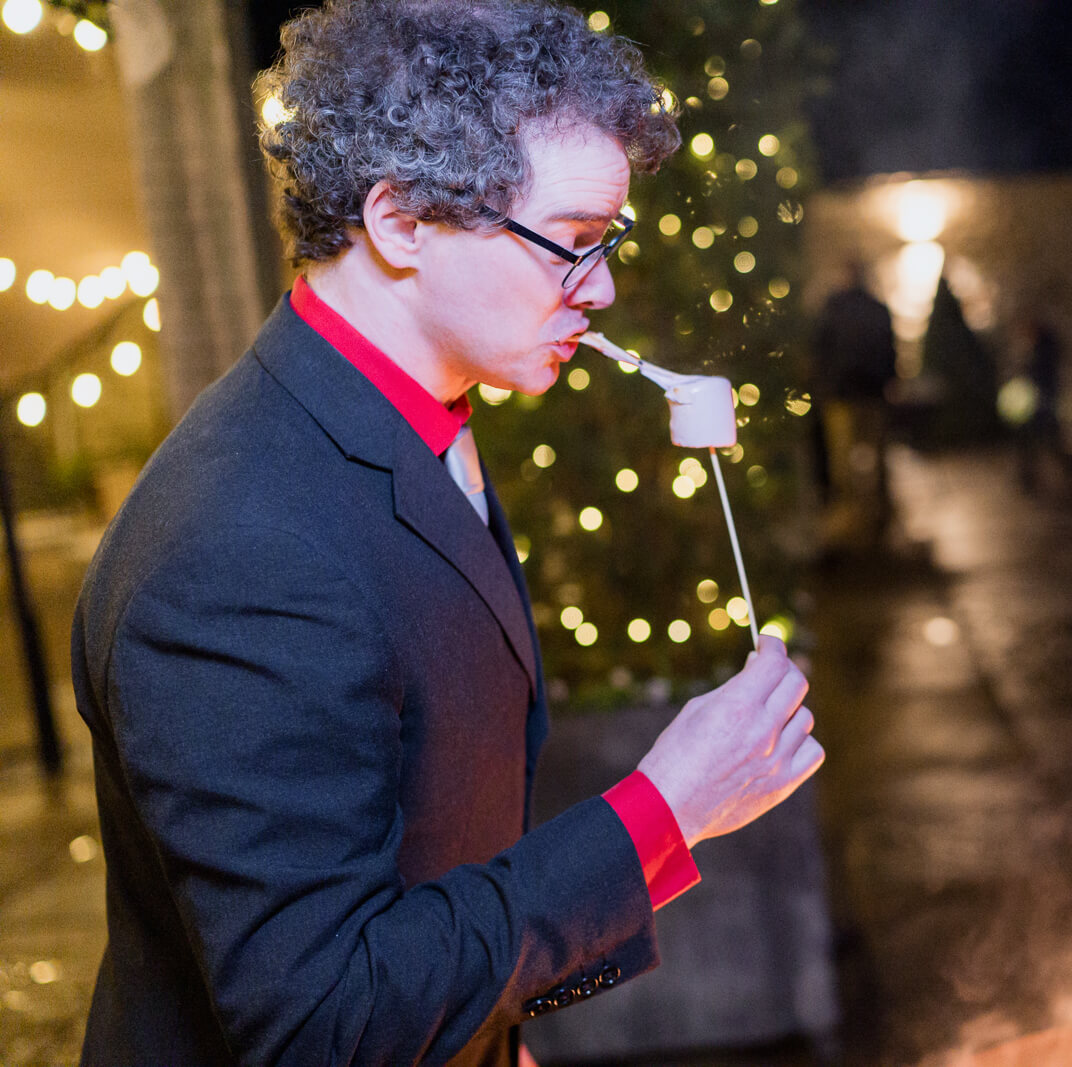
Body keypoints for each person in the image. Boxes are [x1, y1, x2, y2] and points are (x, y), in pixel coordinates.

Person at [69, 4, 823, 1065]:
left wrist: (492, 1029)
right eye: (569, 241)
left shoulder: (418, 413)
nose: (600, 287)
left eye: (605, 242)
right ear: (402, 223)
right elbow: (319, 1020)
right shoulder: (236, 553)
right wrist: (664, 809)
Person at [811, 260, 897, 542]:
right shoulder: (876, 309)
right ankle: (875, 512)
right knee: (875, 458)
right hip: (869, 393)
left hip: (843, 395)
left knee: (843, 462)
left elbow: (820, 351)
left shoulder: (832, 310)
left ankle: (852, 518)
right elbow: (889, 350)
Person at [1015, 318, 1072, 504]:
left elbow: (1040, 377)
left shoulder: (1043, 351)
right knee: (1038, 445)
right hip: (1041, 405)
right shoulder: (1043, 349)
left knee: (1048, 445)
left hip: (1042, 406)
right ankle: (1028, 480)